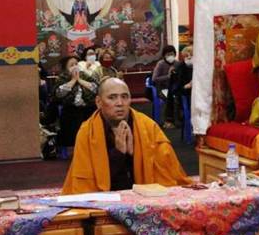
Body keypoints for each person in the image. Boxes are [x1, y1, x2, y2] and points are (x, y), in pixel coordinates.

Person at [62, 78, 191, 194]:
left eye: (124, 97)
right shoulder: (87, 132)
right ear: (99, 102)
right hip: (106, 199)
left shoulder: (148, 127)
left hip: (145, 198)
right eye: (112, 97)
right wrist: (118, 153)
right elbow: (86, 182)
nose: (120, 103)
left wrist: (133, 154)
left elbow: (167, 176)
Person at [53, 55, 98, 160]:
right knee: (72, 117)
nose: (75, 67)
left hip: (87, 107)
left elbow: (95, 88)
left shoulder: (85, 75)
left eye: (76, 64)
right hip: (71, 109)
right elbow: (59, 93)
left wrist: (80, 80)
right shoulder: (62, 78)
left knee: (92, 114)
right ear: (66, 68)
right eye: (71, 65)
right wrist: (73, 80)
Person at [152, 45, 180, 128]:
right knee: (169, 97)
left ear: (175, 54)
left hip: (174, 88)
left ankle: (180, 119)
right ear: (164, 55)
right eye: (167, 55)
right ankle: (168, 121)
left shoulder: (177, 63)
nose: (170, 56)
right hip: (162, 88)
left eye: (171, 54)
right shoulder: (160, 64)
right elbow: (154, 78)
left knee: (180, 97)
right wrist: (168, 76)